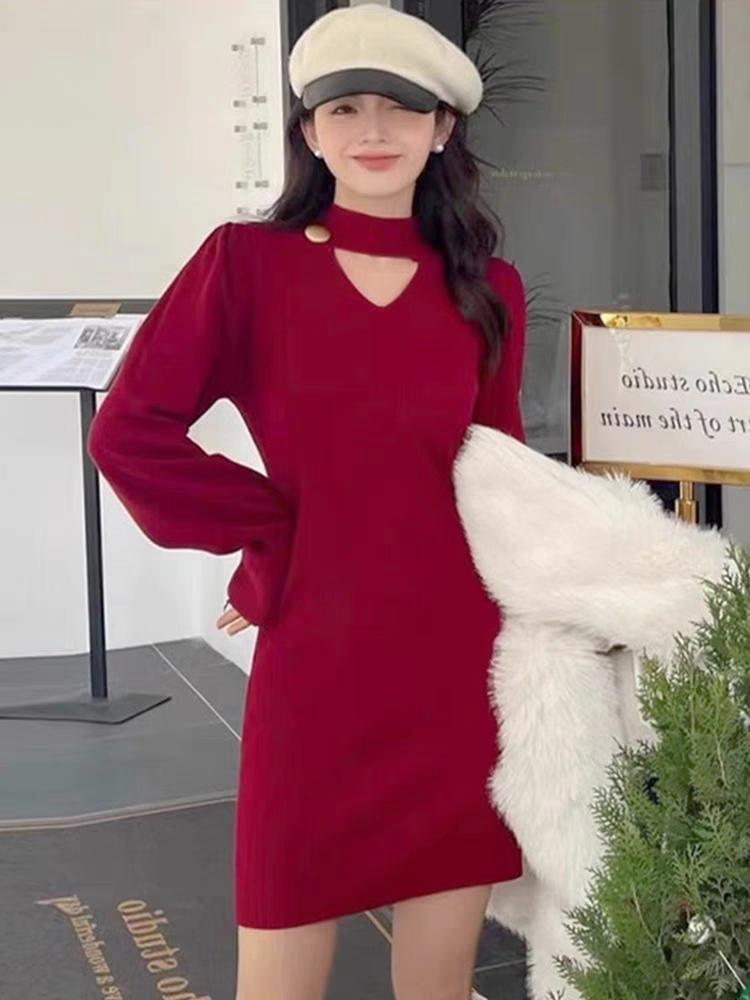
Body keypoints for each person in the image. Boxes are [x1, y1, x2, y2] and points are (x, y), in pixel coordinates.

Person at [86, 5, 528, 999]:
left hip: (455, 662)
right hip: (316, 665)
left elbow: (500, 475)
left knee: (440, 981)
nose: (373, 130)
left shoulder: (488, 288)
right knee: (279, 966)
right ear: (310, 133)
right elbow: (129, 431)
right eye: (345, 109)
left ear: (442, 129)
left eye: (400, 108)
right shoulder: (247, 266)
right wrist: (267, 533)